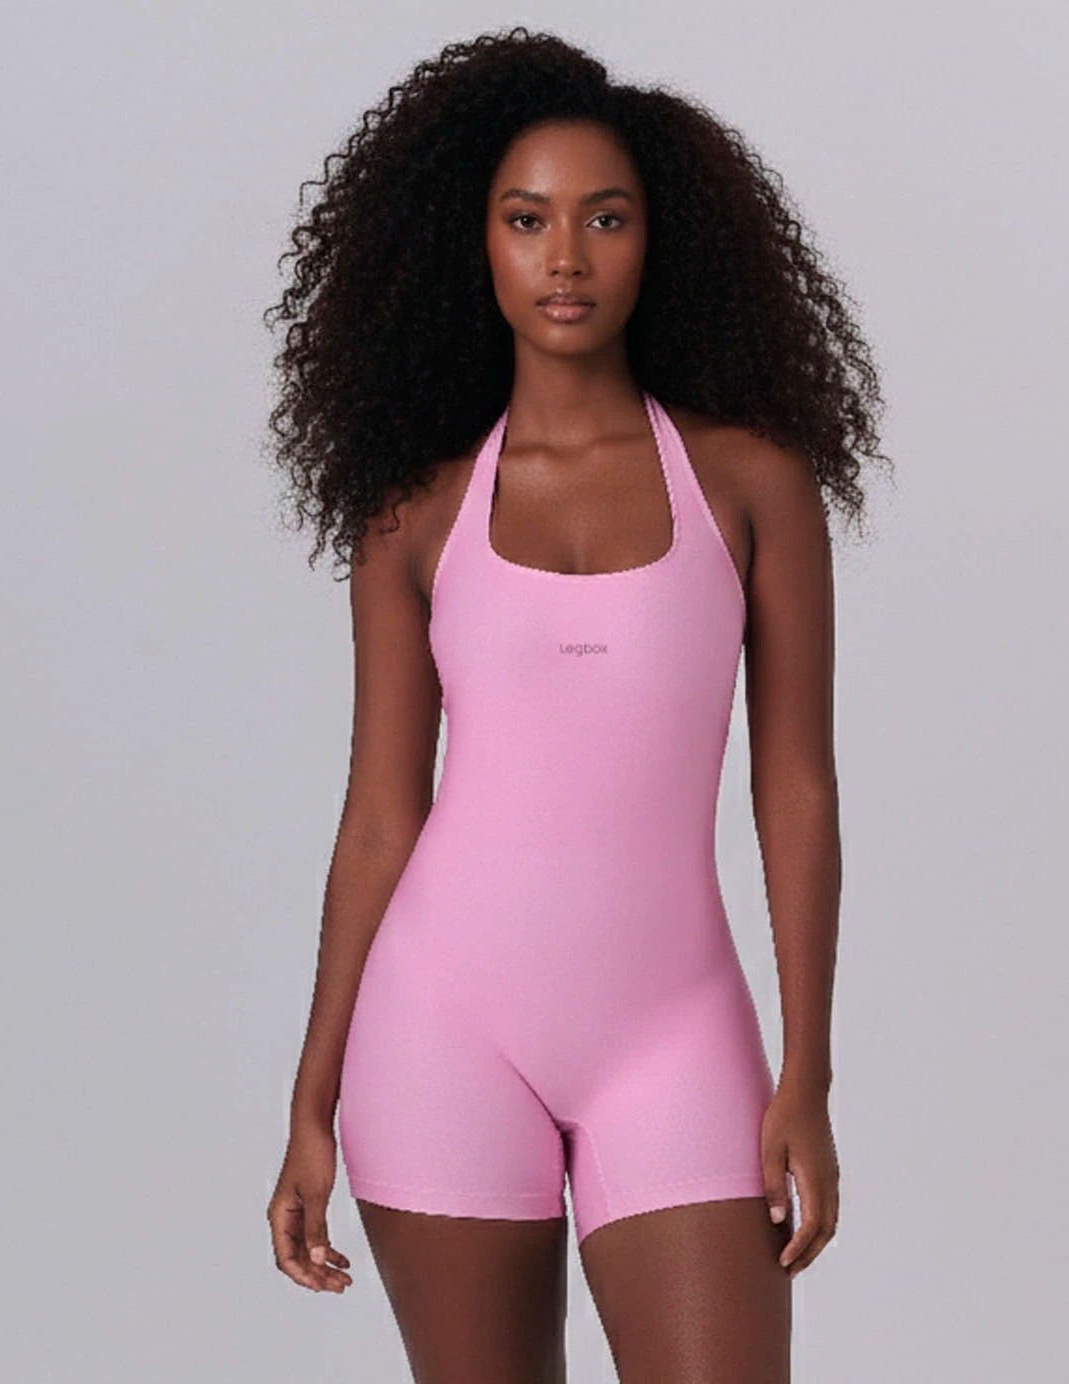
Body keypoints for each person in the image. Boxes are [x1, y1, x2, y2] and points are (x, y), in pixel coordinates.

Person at [263, 27, 887, 1383]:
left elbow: (796, 786)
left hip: (675, 1034)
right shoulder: (414, 515)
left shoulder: (752, 482)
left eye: (605, 218)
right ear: (472, 244)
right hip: (438, 1034)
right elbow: (380, 818)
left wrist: (808, 1073)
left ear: (661, 240)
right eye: (526, 218)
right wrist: (311, 1099)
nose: (565, 257)